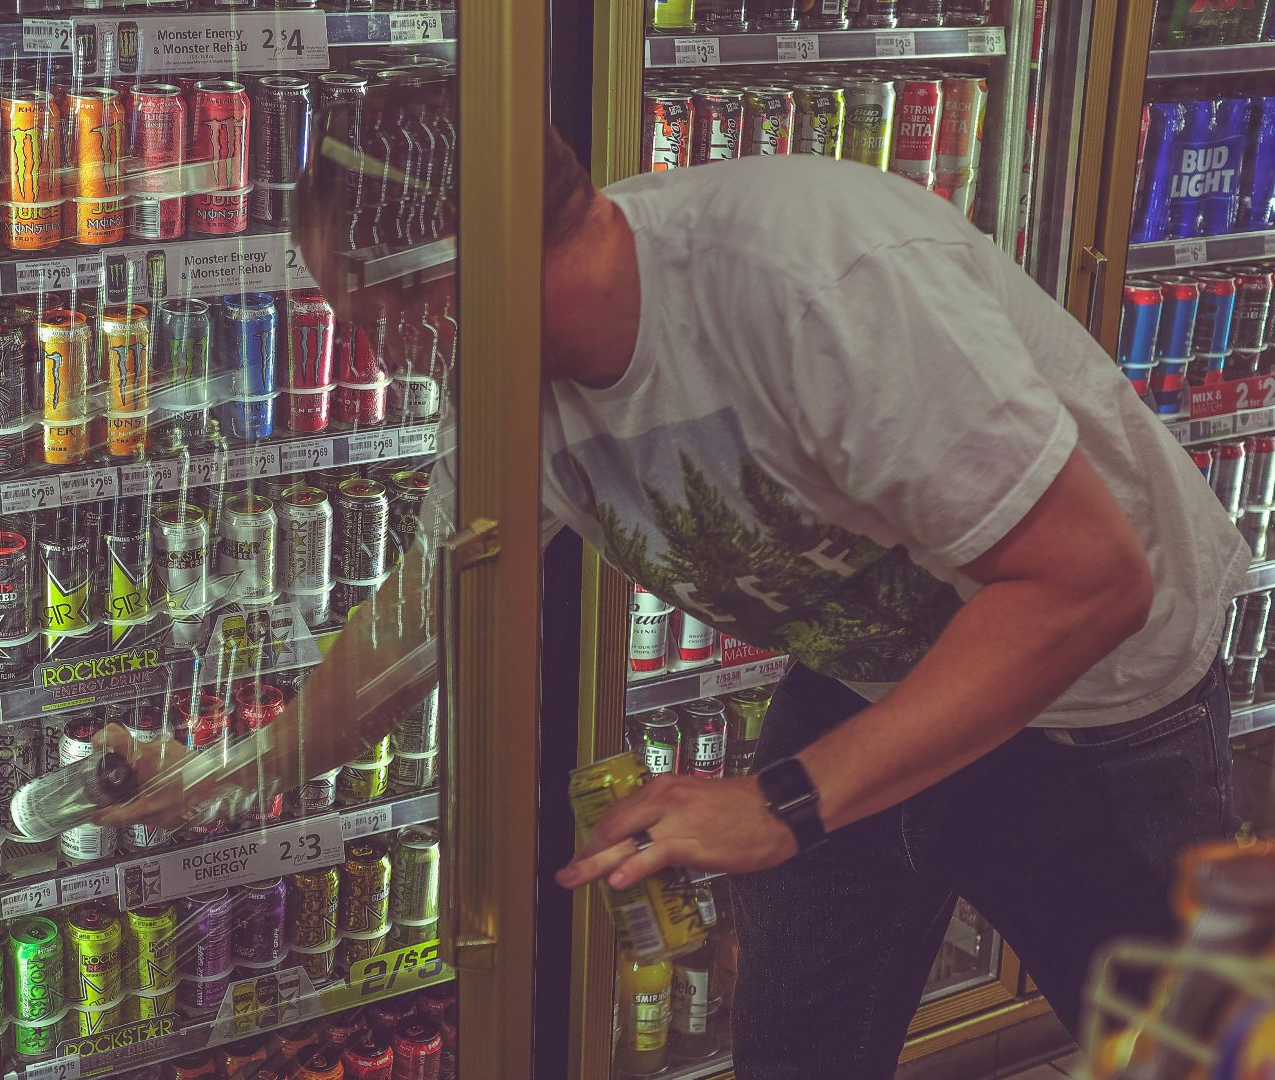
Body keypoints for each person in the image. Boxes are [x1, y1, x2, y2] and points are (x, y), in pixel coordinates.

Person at [100, 121, 1245, 1077]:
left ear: (450, 273)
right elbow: (430, 613)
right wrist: (229, 775)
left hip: (1099, 700)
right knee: (798, 1046)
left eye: (360, 306)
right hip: (869, 677)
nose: (362, 347)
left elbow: (1087, 582)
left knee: (1176, 1048)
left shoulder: (812, 277)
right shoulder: (507, 374)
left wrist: (784, 803)